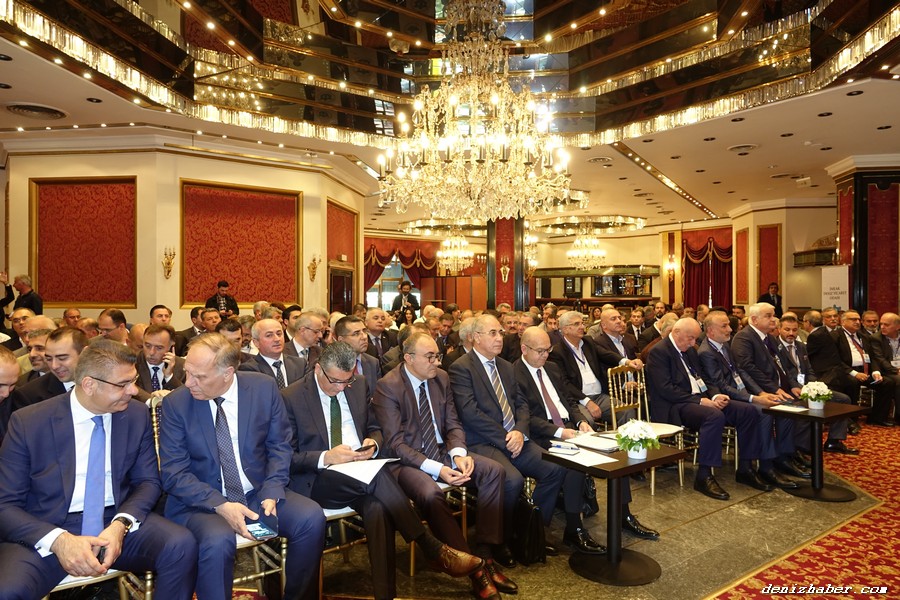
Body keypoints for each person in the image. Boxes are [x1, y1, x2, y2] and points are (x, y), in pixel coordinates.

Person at [282, 341, 484, 600]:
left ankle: (385, 594)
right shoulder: (291, 397)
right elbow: (287, 457)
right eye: (335, 381)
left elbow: (375, 427)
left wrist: (373, 443)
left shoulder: (358, 385)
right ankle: (429, 545)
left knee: (377, 508)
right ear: (318, 369)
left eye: (347, 381)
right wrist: (326, 456)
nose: (341, 388)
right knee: (380, 477)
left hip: (361, 471)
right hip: (320, 479)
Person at [0, 340, 198, 599]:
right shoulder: (29, 421)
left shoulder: (135, 415)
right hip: (48, 526)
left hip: (114, 520)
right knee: (7, 591)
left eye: (133, 380)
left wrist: (121, 525)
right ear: (89, 385)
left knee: (180, 545)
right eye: (123, 384)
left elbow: (148, 482)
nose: (133, 390)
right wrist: (59, 540)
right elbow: (5, 504)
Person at [159, 333, 326, 600]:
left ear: (227, 373)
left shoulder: (262, 388)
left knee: (311, 518)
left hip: (257, 492)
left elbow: (279, 445)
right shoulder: (176, 404)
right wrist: (221, 505)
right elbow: (173, 473)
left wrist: (272, 489)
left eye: (199, 377)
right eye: (187, 372)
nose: (188, 382)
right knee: (218, 539)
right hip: (202, 503)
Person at [372, 332, 515, 599]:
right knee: (430, 493)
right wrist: (438, 470)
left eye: (437, 356)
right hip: (406, 462)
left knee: (494, 471)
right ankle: (476, 571)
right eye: (430, 357)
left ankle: (485, 555)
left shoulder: (441, 378)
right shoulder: (388, 386)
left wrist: (458, 454)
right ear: (408, 358)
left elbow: (453, 423)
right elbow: (396, 444)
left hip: (442, 451)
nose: (437, 362)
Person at [515, 327, 658, 543]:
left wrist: (581, 421)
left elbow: (568, 401)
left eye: (548, 350)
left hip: (569, 427)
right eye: (540, 351)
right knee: (576, 462)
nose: (545, 355)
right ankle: (574, 528)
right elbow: (527, 416)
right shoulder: (514, 374)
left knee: (617, 453)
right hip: (543, 433)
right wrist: (560, 431)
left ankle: (624, 515)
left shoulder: (551, 368)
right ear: (524, 349)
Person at [449, 314, 566, 561]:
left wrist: (520, 432)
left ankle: (532, 532)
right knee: (511, 480)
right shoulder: (461, 367)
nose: (499, 338)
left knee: (555, 468)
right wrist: (506, 437)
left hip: (515, 437)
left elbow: (521, 404)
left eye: (500, 333)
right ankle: (498, 540)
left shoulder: (506, 366)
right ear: (476, 337)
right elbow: (470, 413)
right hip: (483, 441)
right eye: (492, 333)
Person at [645, 318, 764, 501]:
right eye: (690, 338)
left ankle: (746, 468)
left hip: (699, 399)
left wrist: (715, 396)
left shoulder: (690, 350)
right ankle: (704, 475)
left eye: (695, 338)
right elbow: (666, 389)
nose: (694, 343)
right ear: (676, 333)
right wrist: (701, 401)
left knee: (748, 411)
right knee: (714, 416)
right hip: (675, 405)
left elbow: (704, 379)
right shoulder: (659, 352)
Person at [698, 311, 801, 489]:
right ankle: (764, 466)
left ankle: (783, 457)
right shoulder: (706, 352)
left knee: (781, 405)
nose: (730, 329)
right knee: (763, 412)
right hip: (724, 400)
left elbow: (741, 372)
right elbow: (722, 386)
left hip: (741, 394)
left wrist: (761, 393)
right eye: (724, 326)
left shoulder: (725, 345)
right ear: (711, 331)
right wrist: (754, 398)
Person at [729, 303, 813, 477]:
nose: (773, 319)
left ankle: (786, 455)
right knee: (775, 410)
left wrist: (793, 385)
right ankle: (771, 462)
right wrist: (773, 389)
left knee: (793, 406)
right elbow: (747, 368)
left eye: (773, 315)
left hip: (777, 387)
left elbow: (784, 367)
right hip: (757, 390)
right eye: (768, 316)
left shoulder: (770, 338)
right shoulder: (744, 338)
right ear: (754, 319)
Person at [776, 315, 857, 454]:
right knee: (805, 406)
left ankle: (834, 441)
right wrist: (801, 388)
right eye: (787, 330)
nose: (791, 333)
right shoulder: (775, 348)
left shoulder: (801, 346)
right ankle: (802, 449)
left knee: (843, 399)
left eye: (794, 330)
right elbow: (784, 373)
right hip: (789, 389)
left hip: (807, 387)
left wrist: (814, 386)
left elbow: (809, 370)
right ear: (779, 329)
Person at [238, 318, 307, 387]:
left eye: (279, 334)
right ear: (256, 342)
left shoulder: (300, 364)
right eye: (269, 335)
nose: (277, 339)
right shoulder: (249, 369)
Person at [135, 324, 185, 402]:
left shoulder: (182, 365)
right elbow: (128, 388)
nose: (151, 352)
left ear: (171, 346)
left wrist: (169, 376)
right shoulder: (132, 362)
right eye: (147, 346)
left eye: (159, 348)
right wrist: (153, 401)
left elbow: (185, 397)